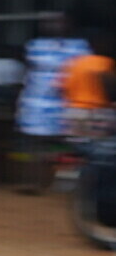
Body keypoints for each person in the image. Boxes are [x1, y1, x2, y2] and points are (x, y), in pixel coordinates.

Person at [19, 11, 91, 190]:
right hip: (36, 101)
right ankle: (34, 182)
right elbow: (27, 71)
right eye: (48, 22)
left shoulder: (80, 46)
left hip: (67, 101)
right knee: (35, 143)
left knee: (70, 143)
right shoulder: (34, 45)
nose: (52, 26)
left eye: (58, 22)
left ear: (69, 24)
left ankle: (65, 183)